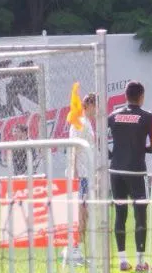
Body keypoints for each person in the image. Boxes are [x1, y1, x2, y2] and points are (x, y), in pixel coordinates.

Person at [108, 81, 152, 271]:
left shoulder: (112, 116)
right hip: (136, 171)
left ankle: (122, 261)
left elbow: (100, 141)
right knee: (140, 215)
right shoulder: (148, 117)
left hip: (116, 172)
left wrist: (113, 154)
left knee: (120, 214)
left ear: (125, 96)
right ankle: (140, 262)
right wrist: (141, 149)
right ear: (141, 96)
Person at [63, 93, 97, 266]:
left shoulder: (87, 122)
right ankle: (73, 249)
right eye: (96, 107)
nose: (97, 111)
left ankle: (74, 248)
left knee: (85, 214)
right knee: (80, 213)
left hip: (87, 174)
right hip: (80, 175)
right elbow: (73, 148)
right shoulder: (80, 122)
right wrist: (74, 173)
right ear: (90, 105)